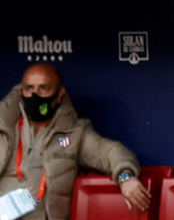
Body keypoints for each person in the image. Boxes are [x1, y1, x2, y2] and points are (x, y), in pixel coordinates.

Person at [0, 63, 150, 220]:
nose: (35, 95)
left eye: (43, 88)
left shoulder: (73, 135)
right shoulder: (5, 127)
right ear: (21, 92)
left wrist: (125, 178)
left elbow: (111, 151)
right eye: (29, 88)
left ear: (59, 94)